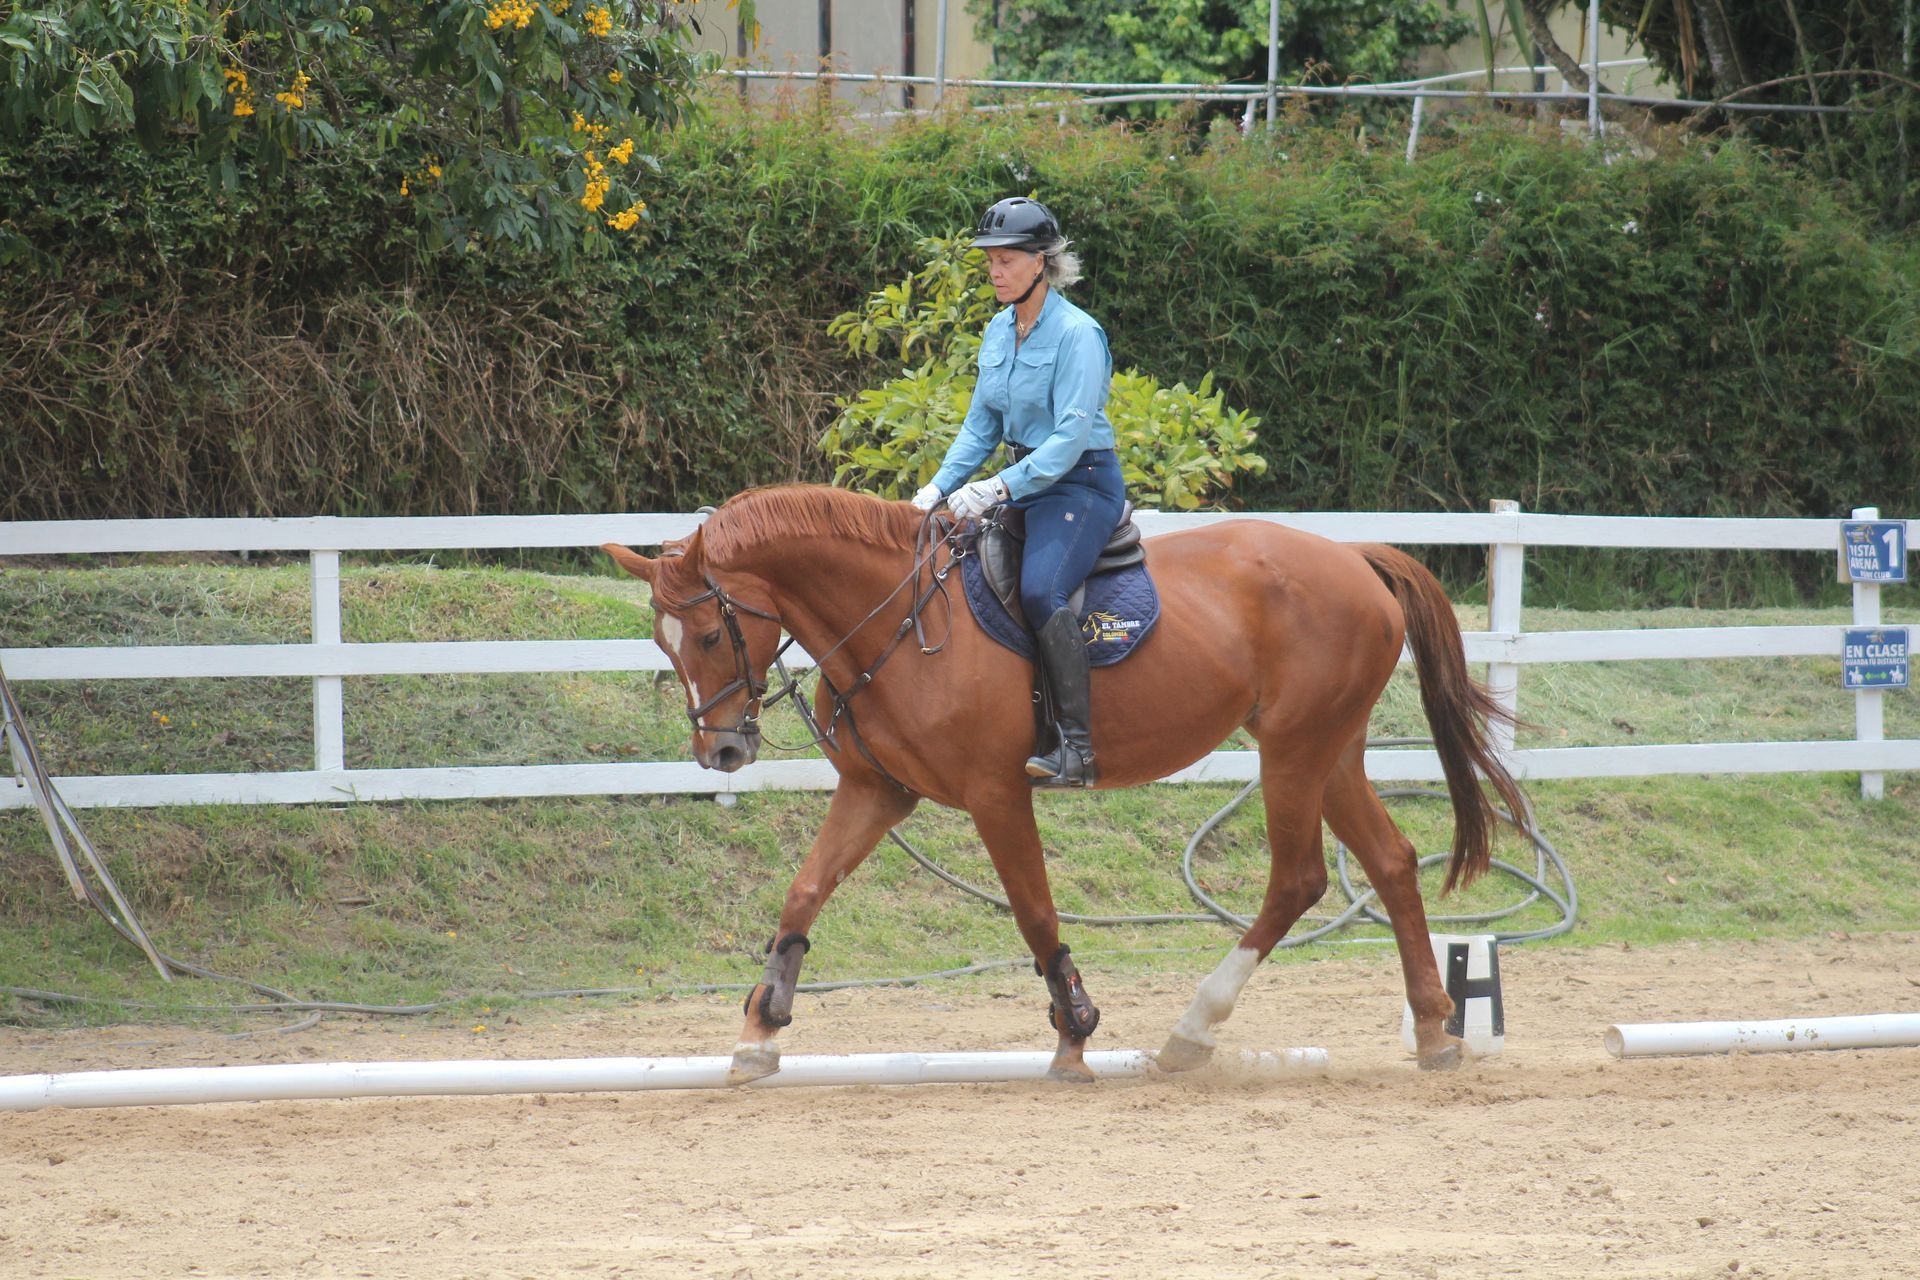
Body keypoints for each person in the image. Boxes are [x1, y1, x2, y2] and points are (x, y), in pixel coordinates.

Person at [911, 196, 1125, 788]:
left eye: (1007, 260)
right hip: (1022, 486)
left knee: (1040, 590)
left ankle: (1076, 748)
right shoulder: (998, 331)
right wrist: (936, 488)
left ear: (1041, 263)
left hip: (1079, 483)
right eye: (991, 261)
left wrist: (997, 487)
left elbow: (1069, 437)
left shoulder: (1080, 335)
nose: (996, 271)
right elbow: (981, 425)